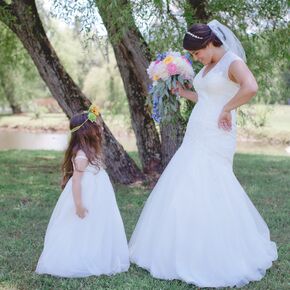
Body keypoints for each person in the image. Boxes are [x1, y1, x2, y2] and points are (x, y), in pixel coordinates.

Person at [129, 20, 277, 288]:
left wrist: (227, 108)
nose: (196, 58)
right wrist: (184, 92)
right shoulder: (209, 67)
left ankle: (219, 250)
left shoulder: (232, 62)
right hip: (198, 129)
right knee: (188, 182)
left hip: (217, 131)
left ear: (209, 43)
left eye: (197, 53)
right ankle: (183, 246)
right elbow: (207, 98)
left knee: (211, 182)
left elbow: (250, 87)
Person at [36, 105, 129, 278]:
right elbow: (77, 181)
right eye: (96, 126)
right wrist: (78, 204)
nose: (100, 128)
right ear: (86, 131)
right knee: (80, 225)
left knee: (96, 224)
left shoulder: (90, 150)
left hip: (97, 195)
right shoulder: (81, 155)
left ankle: (96, 252)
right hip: (86, 196)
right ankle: (78, 256)